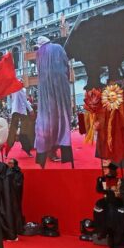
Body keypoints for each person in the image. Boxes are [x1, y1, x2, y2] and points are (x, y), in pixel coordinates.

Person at [34, 36, 73, 167]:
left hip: (45, 92)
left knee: (47, 121)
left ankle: (45, 154)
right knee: (62, 118)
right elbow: (66, 66)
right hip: (60, 88)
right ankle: (60, 152)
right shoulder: (58, 48)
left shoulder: (39, 54)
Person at [93, 162, 124, 248]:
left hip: (117, 204)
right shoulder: (102, 179)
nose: (104, 170)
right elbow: (98, 190)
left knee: (117, 224)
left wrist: (114, 191)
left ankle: (117, 244)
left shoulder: (119, 180)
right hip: (107, 204)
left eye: (106, 169)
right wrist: (102, 184)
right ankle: (108, 240)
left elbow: (122, 193)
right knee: (108, 222)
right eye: (104, 169)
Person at [0, 158, 24, 241]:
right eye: (9, 163)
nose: (10, 164)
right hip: (5, 201)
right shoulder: (3, 177)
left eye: (11, 163)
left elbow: (18, 185)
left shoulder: (15, 174)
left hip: (11, 200)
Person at [7, 87, 35, 156]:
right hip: (21, 112)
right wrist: (30, 109)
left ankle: (7, 151)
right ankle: (27, 150)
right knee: (24, 132)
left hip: (15, 112)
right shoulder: (20, 88)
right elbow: (24, 100)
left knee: (13, 133)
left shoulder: (13, 89)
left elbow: (13, 100)